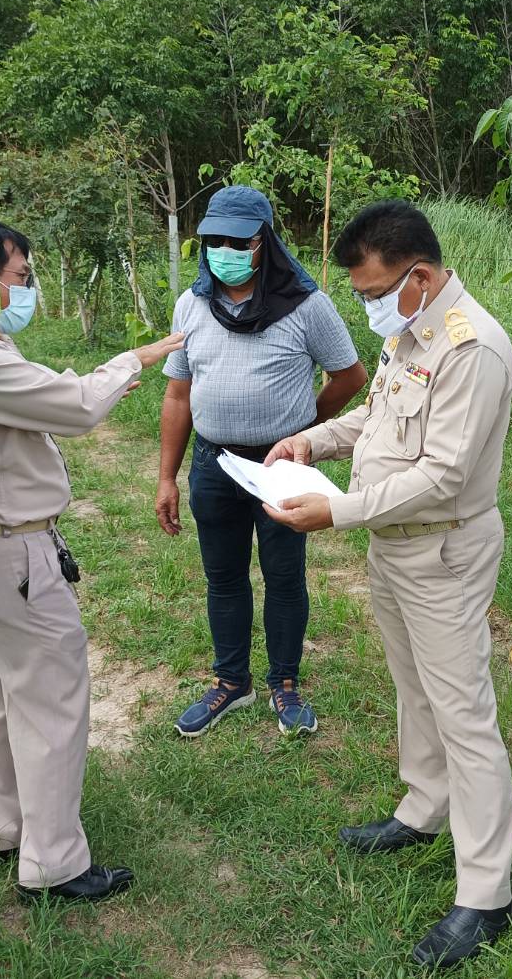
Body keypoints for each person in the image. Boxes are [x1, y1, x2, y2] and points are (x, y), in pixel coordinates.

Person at [264, 200, 512, 969]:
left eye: (374, 292)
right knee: (414, 688)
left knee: (463, 711)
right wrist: (311, 438)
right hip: (392, 547)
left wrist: (336, 509)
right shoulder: (409, 331)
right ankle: (422, 808)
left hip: (440, 549)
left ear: (419, 276)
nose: (367, 305)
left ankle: (485, 895)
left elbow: (441, 477)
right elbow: (376, 417)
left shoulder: (471, 348)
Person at [0, 219, 182, 903]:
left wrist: (101, 380)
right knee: (50, 701)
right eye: (19, 277)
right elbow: (69, 405)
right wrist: (136, 358)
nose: (24, 289)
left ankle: (5, 828)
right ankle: (54, 865)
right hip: (8, 549)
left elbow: (34, 392)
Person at [156, 186, 366, 738]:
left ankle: (285, 684)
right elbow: (178, 395)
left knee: (283, 576)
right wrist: (166, 477)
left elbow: (349, 376)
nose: (224, 251)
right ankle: (231, 683)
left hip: (279, 470)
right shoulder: (191, 305)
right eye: (213, 241)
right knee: (223, 578)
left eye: (238, 241)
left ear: (264, 242)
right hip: (213, 464)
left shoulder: (306, 305)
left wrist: (304, 431)